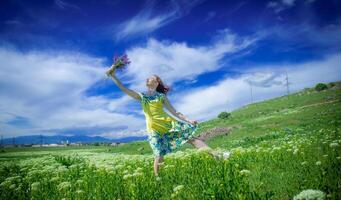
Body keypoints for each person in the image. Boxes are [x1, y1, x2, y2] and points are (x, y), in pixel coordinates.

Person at [106, 64, 231, 177]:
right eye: (147, 78)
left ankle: (218, 156)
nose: (147, 79)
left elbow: (175, 112)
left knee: (193, 139)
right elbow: (125, 89)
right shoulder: (142, 96)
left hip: (169, 125)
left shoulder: (161, 97)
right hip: (154, 129)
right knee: (158, 154)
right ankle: (158, 181)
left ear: (156, 83)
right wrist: (113, 76)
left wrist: (189, 120)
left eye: (151, 78)